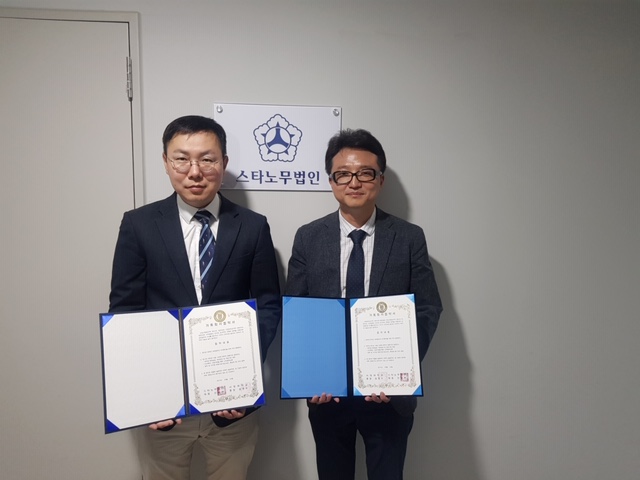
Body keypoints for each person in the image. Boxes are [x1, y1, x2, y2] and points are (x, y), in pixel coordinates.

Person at [109, 115, 281, 480]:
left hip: (233, 406)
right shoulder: (139, 225)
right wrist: (144, 396)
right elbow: (125, 313)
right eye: (182, 159)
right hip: (163, 408)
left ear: (224, 163)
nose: (195, 171)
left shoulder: (253, 226)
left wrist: (246, 376)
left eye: (207, 159)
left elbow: (268, 305)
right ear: (165, 162)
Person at [285, 128, 443, 480]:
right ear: (331, 181)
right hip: (328, 395)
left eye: (365, 173)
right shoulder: (308, 237)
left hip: (388, 397)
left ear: (380, 179)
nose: (354, 182)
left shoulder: (408, 237)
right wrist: (310, 376)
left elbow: (428, 308)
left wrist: (400, 372)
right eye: (343, 174)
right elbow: (297, 312)